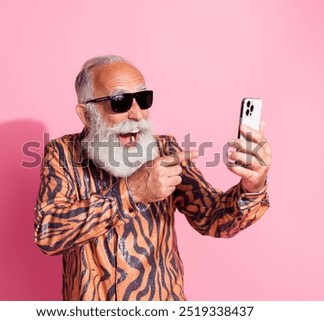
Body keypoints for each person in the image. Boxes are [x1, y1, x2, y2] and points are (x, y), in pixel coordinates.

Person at [34, 55, 272, 301]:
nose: (137, 114)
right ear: (86, 114)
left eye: (143, 99)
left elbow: (213, 219)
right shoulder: (62, 153)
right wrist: (132, 192)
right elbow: (48, 235)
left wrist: (252, 187)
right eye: (120, 101)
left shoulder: (166, 150)